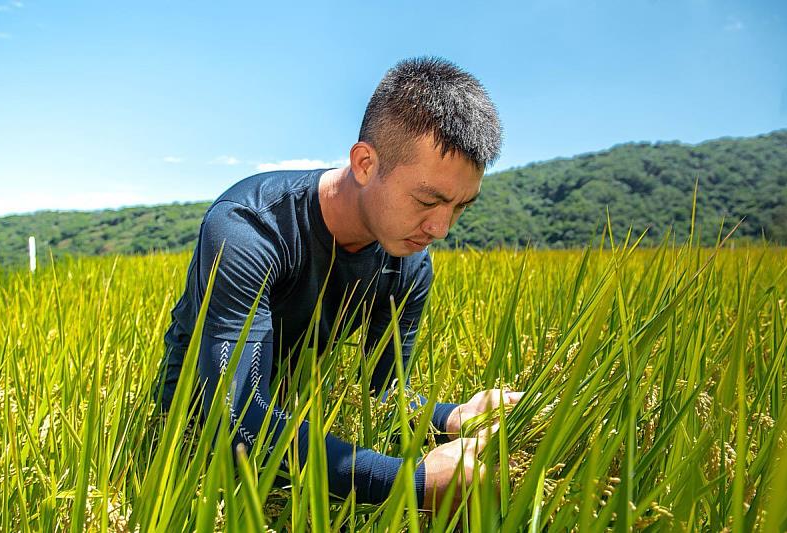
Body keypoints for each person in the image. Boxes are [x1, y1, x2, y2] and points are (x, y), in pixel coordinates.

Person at [155, 56, 523, 512]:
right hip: (189, 438)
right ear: (365, 163)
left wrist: (452, 417)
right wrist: (412, 482)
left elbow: (382, 392)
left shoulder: (408, 266)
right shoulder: (249, 228)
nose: (441, 228)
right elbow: (234, 417)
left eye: (461, 207)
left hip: (297, 424)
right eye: (429, 200)